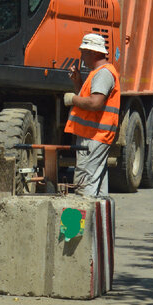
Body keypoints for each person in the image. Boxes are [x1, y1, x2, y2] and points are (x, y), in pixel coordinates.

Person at [63, 32, 120, 198]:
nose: (81, 56)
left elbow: (95, 103)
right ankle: (98, 222)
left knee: (84, 185)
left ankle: (81, 223)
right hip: (95, 136)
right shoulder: (98, 73)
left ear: (93, 52)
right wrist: (77, 83)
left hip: (94, 137)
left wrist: (72, 99)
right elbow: (90, 100)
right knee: (97, 188)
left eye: (83, 52)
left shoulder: (103, 73)